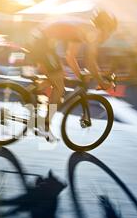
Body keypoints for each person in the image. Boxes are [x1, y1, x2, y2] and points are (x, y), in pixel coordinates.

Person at [24, 9, 118, 140]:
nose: (108, 36)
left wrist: (79, 76)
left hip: (39, 39)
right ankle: (44, 126)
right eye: (110, 31)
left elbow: (70, 56)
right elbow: (90, 62)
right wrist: (102, 82)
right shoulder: (93, 32)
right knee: (60, 88)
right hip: (42, 43)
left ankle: (28, 94)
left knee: (58, 77)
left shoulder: (84, 29)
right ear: (105, 27)